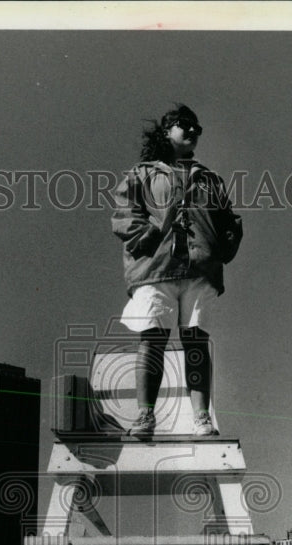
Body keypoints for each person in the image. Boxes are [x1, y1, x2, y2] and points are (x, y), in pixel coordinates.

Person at [112, 104, 243, 438]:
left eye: (198, 127)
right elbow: (125, 215)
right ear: (166, 130)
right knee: (152, 339)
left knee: (196, 340)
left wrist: (219, 252)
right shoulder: (141, 173)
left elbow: (230, 221)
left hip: (199, 270)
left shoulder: (210, 178)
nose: (193, 131)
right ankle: (145, 416)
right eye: (185, 125)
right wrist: (151, 237)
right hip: (156, 269)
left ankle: (201, 418)